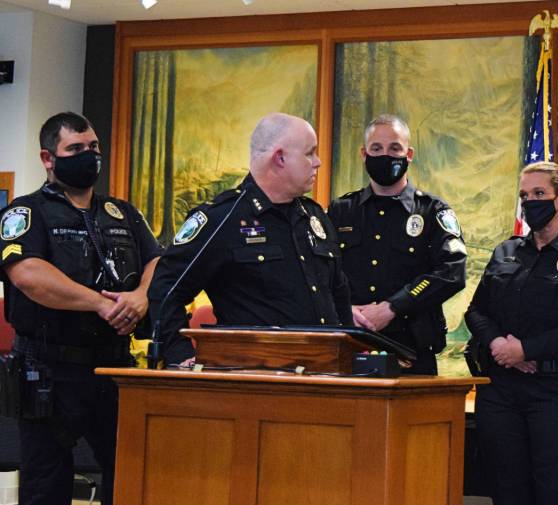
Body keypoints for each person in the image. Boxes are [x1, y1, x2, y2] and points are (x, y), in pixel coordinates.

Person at [0, 112, 161, 505]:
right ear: (48, 158)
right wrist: (100, 305)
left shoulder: (123, 213)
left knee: (129, 477)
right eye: (75, 149)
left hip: (114, 368)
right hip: (49, 370)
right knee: (46, 486)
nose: (88, 156)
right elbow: (28, 275)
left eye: (93, 148)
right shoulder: (26, 212)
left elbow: (159, 261)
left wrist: (141, 296)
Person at [148, 113, 353, 366]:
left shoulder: (313, 216)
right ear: (280, 158)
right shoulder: (222, 218)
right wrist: (181, 355)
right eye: (310, 153)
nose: (318, 162)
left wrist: (352, 353)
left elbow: (338, 291)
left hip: (328, 371)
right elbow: (166, 290)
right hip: (256, 377)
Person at [465, 161, 558, 505]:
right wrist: (501, 346)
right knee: (505, 491)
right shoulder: (506, 252)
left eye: (539, 194)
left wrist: (527, 350)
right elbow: (476, 310)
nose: (530, 202)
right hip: (502, 391)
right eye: (524, 195)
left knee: (557, 491)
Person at [328, 114, 466, 375]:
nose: (385, 156)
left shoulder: (432, 212)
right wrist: (344, 309)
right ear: (364, 153)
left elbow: (452, 272)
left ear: (409, 154)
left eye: (395, 148)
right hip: (351, 345)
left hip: (412, 350)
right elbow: (321, 271)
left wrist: (393, 307)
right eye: (376, 149)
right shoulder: (340, 211)